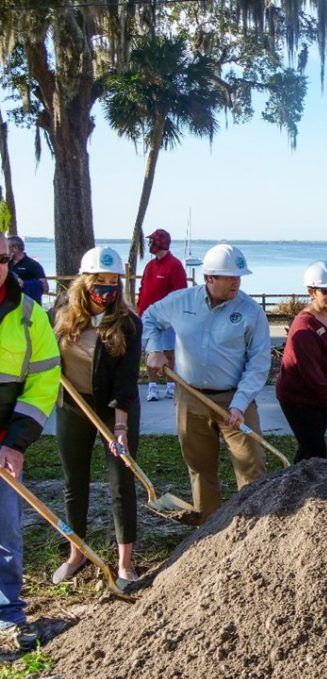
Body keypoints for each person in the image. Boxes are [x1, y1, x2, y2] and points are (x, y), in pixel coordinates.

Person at [142, 244, 270, 522]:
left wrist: (239, 404)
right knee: (200, 467)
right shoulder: (181, 302)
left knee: (252, 466)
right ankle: (210, 528)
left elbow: (259, 363)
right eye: (230, 277)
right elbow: (150, 317)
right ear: (210, 277)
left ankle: (255, 525)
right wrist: (153, 349)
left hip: (235, 399)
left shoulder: (250, 311)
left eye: (239, 276)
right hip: (190, 397)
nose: (237, 282)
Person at [52, 246, 141, 587]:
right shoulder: (61, 312)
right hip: (73, 406)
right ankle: (76, 554)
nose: (107, 288)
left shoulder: (129, 323)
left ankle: (124, 564)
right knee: (75, 482)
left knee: (121, 483)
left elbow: (126, 379)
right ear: (84, 281)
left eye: (113, 280)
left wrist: (120, 427)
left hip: (114, 409)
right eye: (99, 281)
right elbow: (45, 351)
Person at [0, 231, 60, 651]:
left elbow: (42, 385)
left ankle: (6, 612)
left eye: (0, 259)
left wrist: (15, 443)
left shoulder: (28, 315)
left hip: (4, 441)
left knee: (6, 530)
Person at [276, 261, 327, 462]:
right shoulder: (304, 327)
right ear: (312, 292)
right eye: (325, 290)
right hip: (300, 399)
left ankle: (294, 484)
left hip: (321, 397)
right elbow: (311, 374)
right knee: (315, 451)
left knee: (309, 450)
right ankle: (303, 489)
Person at [137, 229, 188, 401]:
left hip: (167, 320)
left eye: (153, 241)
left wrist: (175, 317)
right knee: (151, 352)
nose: (150, 245)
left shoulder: (174, 265)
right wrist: (139, 311)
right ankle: (152, 387)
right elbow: (143, 289)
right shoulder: (150, 266)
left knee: (168, 352)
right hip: (147, 318)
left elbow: (180, 294)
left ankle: (171, 385)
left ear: (161, 242)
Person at [7, 235, 48, 303]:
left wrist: (24, 284)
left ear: (15, 248)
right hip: (8, 304)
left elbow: (45, 288)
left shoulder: (34, 265)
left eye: (7, 247)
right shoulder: (5, 264)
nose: (5, 250)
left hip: (28, 305)